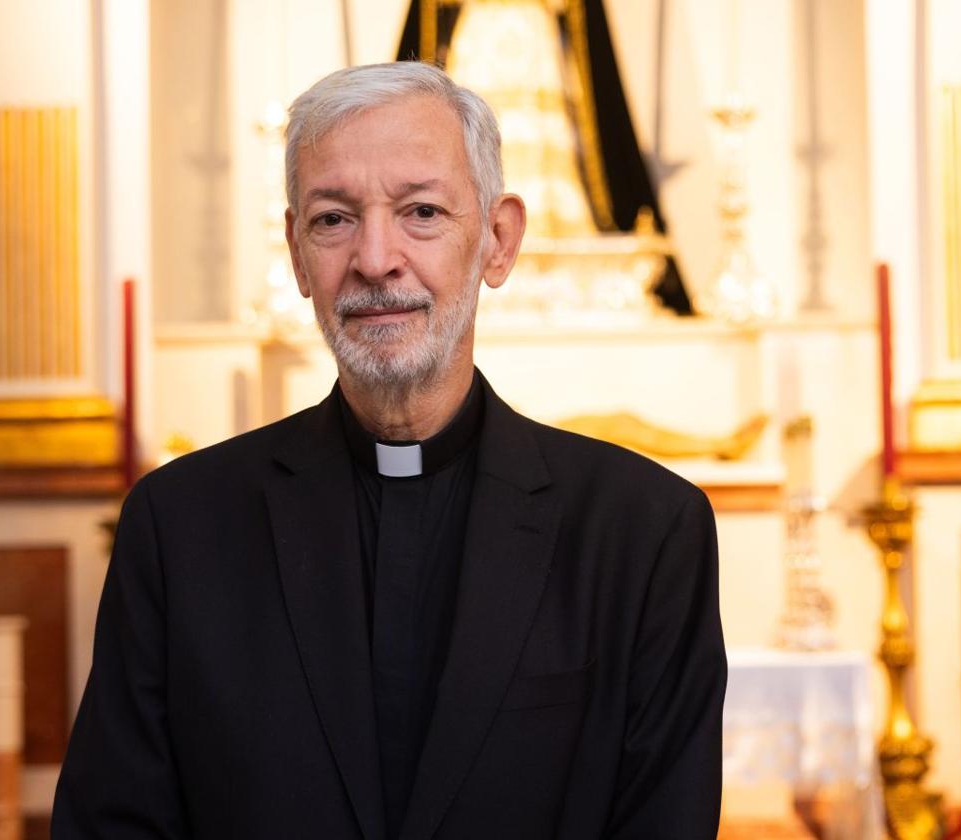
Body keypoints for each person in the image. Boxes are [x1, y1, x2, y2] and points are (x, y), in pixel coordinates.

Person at [52, 61, 725, 839]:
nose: (375, 259)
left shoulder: (641, 532)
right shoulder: (180, 526)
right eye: (333, 219)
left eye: (422, 212)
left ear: (497, 241)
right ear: (298, 255)